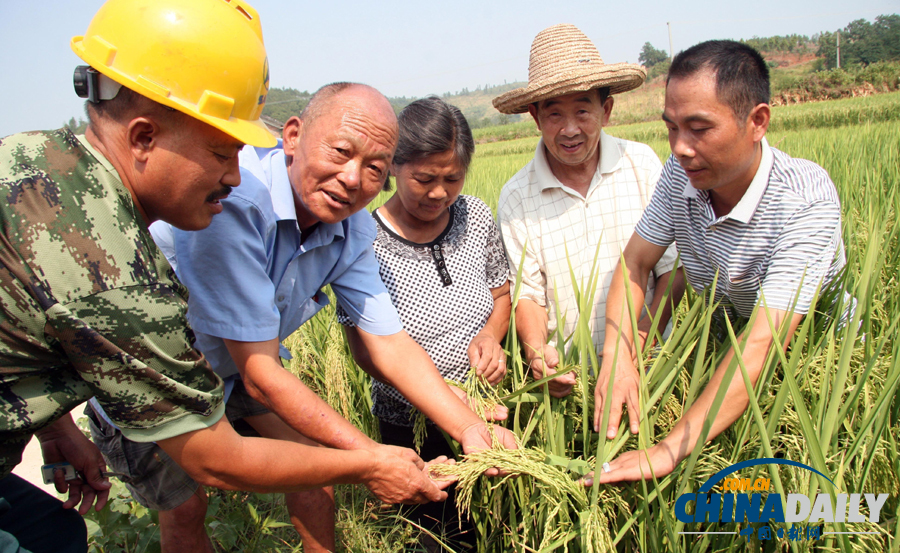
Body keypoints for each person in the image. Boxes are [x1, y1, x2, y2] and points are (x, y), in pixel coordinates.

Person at [0, 2, 450, 552]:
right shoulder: (119, 272)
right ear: (142, 137)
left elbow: (25, 329)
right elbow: (217, 458)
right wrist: (372, 462)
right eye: (222, 152)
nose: (235, 176)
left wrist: (54, 427)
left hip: (220, 375)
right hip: (178, 384)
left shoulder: (33, 156)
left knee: (60, 533)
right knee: (169, 507)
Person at [91, 83, 518, 552]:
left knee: (316, 477)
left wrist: (468, 428)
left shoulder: (351, 223)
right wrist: (374, 459)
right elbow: (262, 375)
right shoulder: (234, 204)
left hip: (239, 369)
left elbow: (387, 342)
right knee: (186, 508)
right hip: (168, 374)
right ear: (292, 136)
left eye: (375, 168)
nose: (353, 179)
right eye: (340, 152)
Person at [591, 40, 846, 483]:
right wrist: (617, 357)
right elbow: (635, 261)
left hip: (815, 361)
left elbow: (763, 344)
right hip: (729, 345)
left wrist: (668, 450)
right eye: (671, 128)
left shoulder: (805, 201)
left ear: (757, 122)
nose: (680, 148)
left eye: (699, 128)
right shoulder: (681, 174)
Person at [338, 96, 510, 549]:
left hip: (486, 408)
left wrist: (492, 337)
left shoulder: (474, 215)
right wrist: (436, 391)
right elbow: (365, 350)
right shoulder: (363, 238)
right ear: (395, 166)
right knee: (436, 535)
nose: (439, 193)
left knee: (495, 525)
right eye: (425, 179)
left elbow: (501, 293)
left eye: (452, 178)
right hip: (409, 420)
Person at [494, 24, 683, 399]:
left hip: (653, 371)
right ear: (534, 116)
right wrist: (536, 353)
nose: (569, 129)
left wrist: (639, 341)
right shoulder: (516, 195)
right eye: (554, 115)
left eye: (583, 110)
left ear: (606, 109)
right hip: (571, 382)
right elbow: (528, 294)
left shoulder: (641, 165)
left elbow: (672, 270)